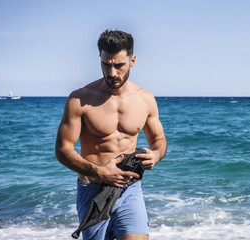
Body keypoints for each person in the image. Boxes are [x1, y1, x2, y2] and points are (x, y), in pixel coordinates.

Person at [55, 29, 167, 240]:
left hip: (129, 189)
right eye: (106, 64)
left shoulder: (145, 99)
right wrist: (99, 172)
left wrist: (156, 155)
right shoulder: (80, 99)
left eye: (119, 65)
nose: (112, 72)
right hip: (93, 190)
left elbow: (159, 140)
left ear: (132, 61)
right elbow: (63, 150)